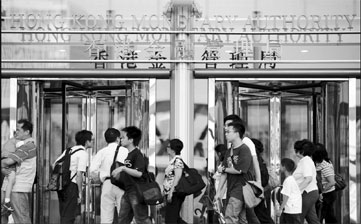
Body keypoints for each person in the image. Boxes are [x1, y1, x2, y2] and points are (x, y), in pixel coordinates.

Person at [224, 114, 261, 224]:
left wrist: (258, 182)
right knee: (243, 218)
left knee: (235, 216)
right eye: (225, 126)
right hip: (234, 187)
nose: (225, 129)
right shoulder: (231, 148)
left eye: (228, 126)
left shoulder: (245, 143)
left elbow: (255, 162)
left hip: (243, 186)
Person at [111, 126, 151, 224]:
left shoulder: (137, 154)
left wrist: (123, 168)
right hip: (128, 191)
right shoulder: (130, 154)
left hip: (136, 192)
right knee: (122, 220)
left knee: (141, 219)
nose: (121, 139)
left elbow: (139, 173)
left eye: (123, 137)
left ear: (131, 140)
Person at [215, 121, 253, 223]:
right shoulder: (229, 150)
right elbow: (224, 173)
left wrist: (224, 169)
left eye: (228, 132)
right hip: (231, 190)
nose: (226, 134)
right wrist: (218, 192)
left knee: (230, 217)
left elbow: (239, 170)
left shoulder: (244, 149)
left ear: (237, 133)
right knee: (241, 220)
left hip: (241, 189)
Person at [1, 119, 37, 224]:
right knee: (4, 216)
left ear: (27, 132)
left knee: (22, 219)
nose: (16, 132)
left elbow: (8, 161)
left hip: (18, 188)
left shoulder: (28, 146)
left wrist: (3, 165)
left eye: (18, 130)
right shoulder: (19, 145)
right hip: (9, 186)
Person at [89, 128, 128, 224]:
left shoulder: (102, 152)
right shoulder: (125, 151)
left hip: (107, 183)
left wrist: (98, 179)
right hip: (122, 185)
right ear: (118, 139)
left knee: (106, 217)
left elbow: (92, 170)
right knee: (124, 216)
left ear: (106, 139)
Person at [54, 130, 92, 224]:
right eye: (92, 140)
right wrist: (80, 192)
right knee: (69, 216)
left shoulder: (68, 150)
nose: (93, 142)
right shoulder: (83, 153)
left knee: (64, 213)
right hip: (71, 186)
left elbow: (54, 164)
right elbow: (79, 174)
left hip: (62, 185)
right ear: (87, 141)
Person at [293, 139, 321, 224]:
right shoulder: (306, 161)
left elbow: (308, 178)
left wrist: (296, 190)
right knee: (312, 219)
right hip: (310, 193)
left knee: (297, 218)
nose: (295, 152)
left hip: (307, 193)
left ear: (302, 151)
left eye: (297, 149)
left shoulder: (306, 161)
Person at [162, 138, 187, 224]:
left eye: (168, 146)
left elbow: (177, 176)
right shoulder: (173, 161)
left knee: (170, 220)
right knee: (175, 219)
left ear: (173, 149)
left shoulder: (177, 161)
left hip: (175, 193)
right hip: (171, 193)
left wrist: (171, 192)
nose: (167, 148)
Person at [312, 143, 337, 224]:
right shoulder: (318, 163)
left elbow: (332, 182)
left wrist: (322, 191)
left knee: (323, 216)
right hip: (325, 194)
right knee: (328, 216)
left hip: (327, 194)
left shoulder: (325, 165)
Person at [252, 138, 274, 224]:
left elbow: (263, 179)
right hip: (262, 191)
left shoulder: (256, 160)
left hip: (260, 192)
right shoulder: (259, 159)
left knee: (262, 217)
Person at [277, 158, 302, 224]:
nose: (279, 167)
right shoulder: (291, 179)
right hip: (294, 209)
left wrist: (280, 209)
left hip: (291, 210)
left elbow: (286, 196)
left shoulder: (288, 181)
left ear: (284, 167)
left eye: (280, 165)